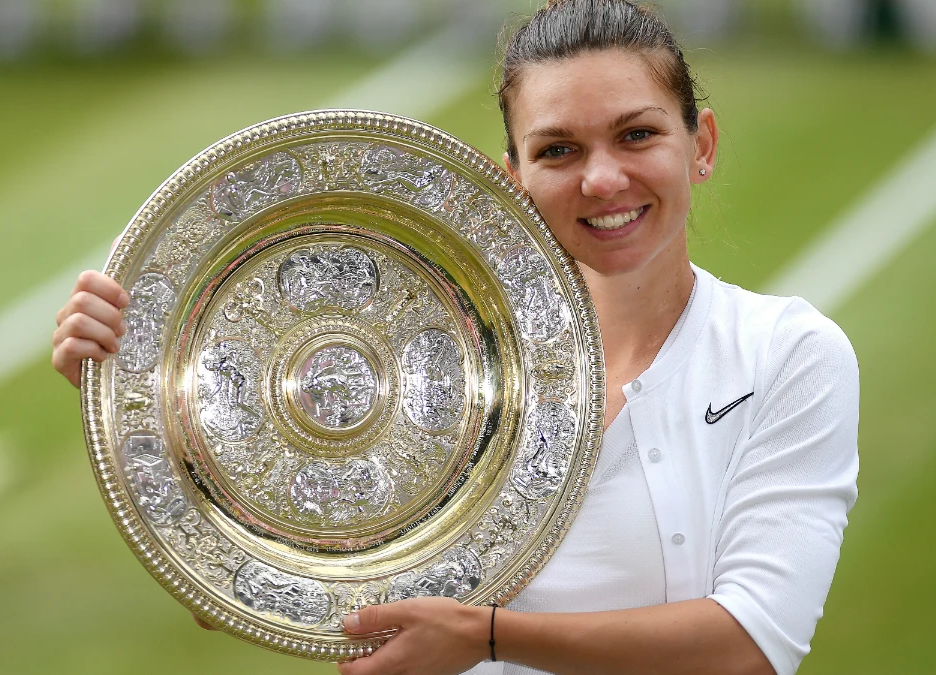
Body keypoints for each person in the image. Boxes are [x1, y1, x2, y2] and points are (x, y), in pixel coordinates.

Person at [51, 2, 859, 674]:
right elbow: (277, 592)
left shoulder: (786, 355)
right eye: (559, 150)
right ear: (511, 176)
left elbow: (751, 644)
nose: (602, 179)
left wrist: (490, 635)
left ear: (702, 144)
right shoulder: (432, 365)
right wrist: (134, 403)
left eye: (637, 134)